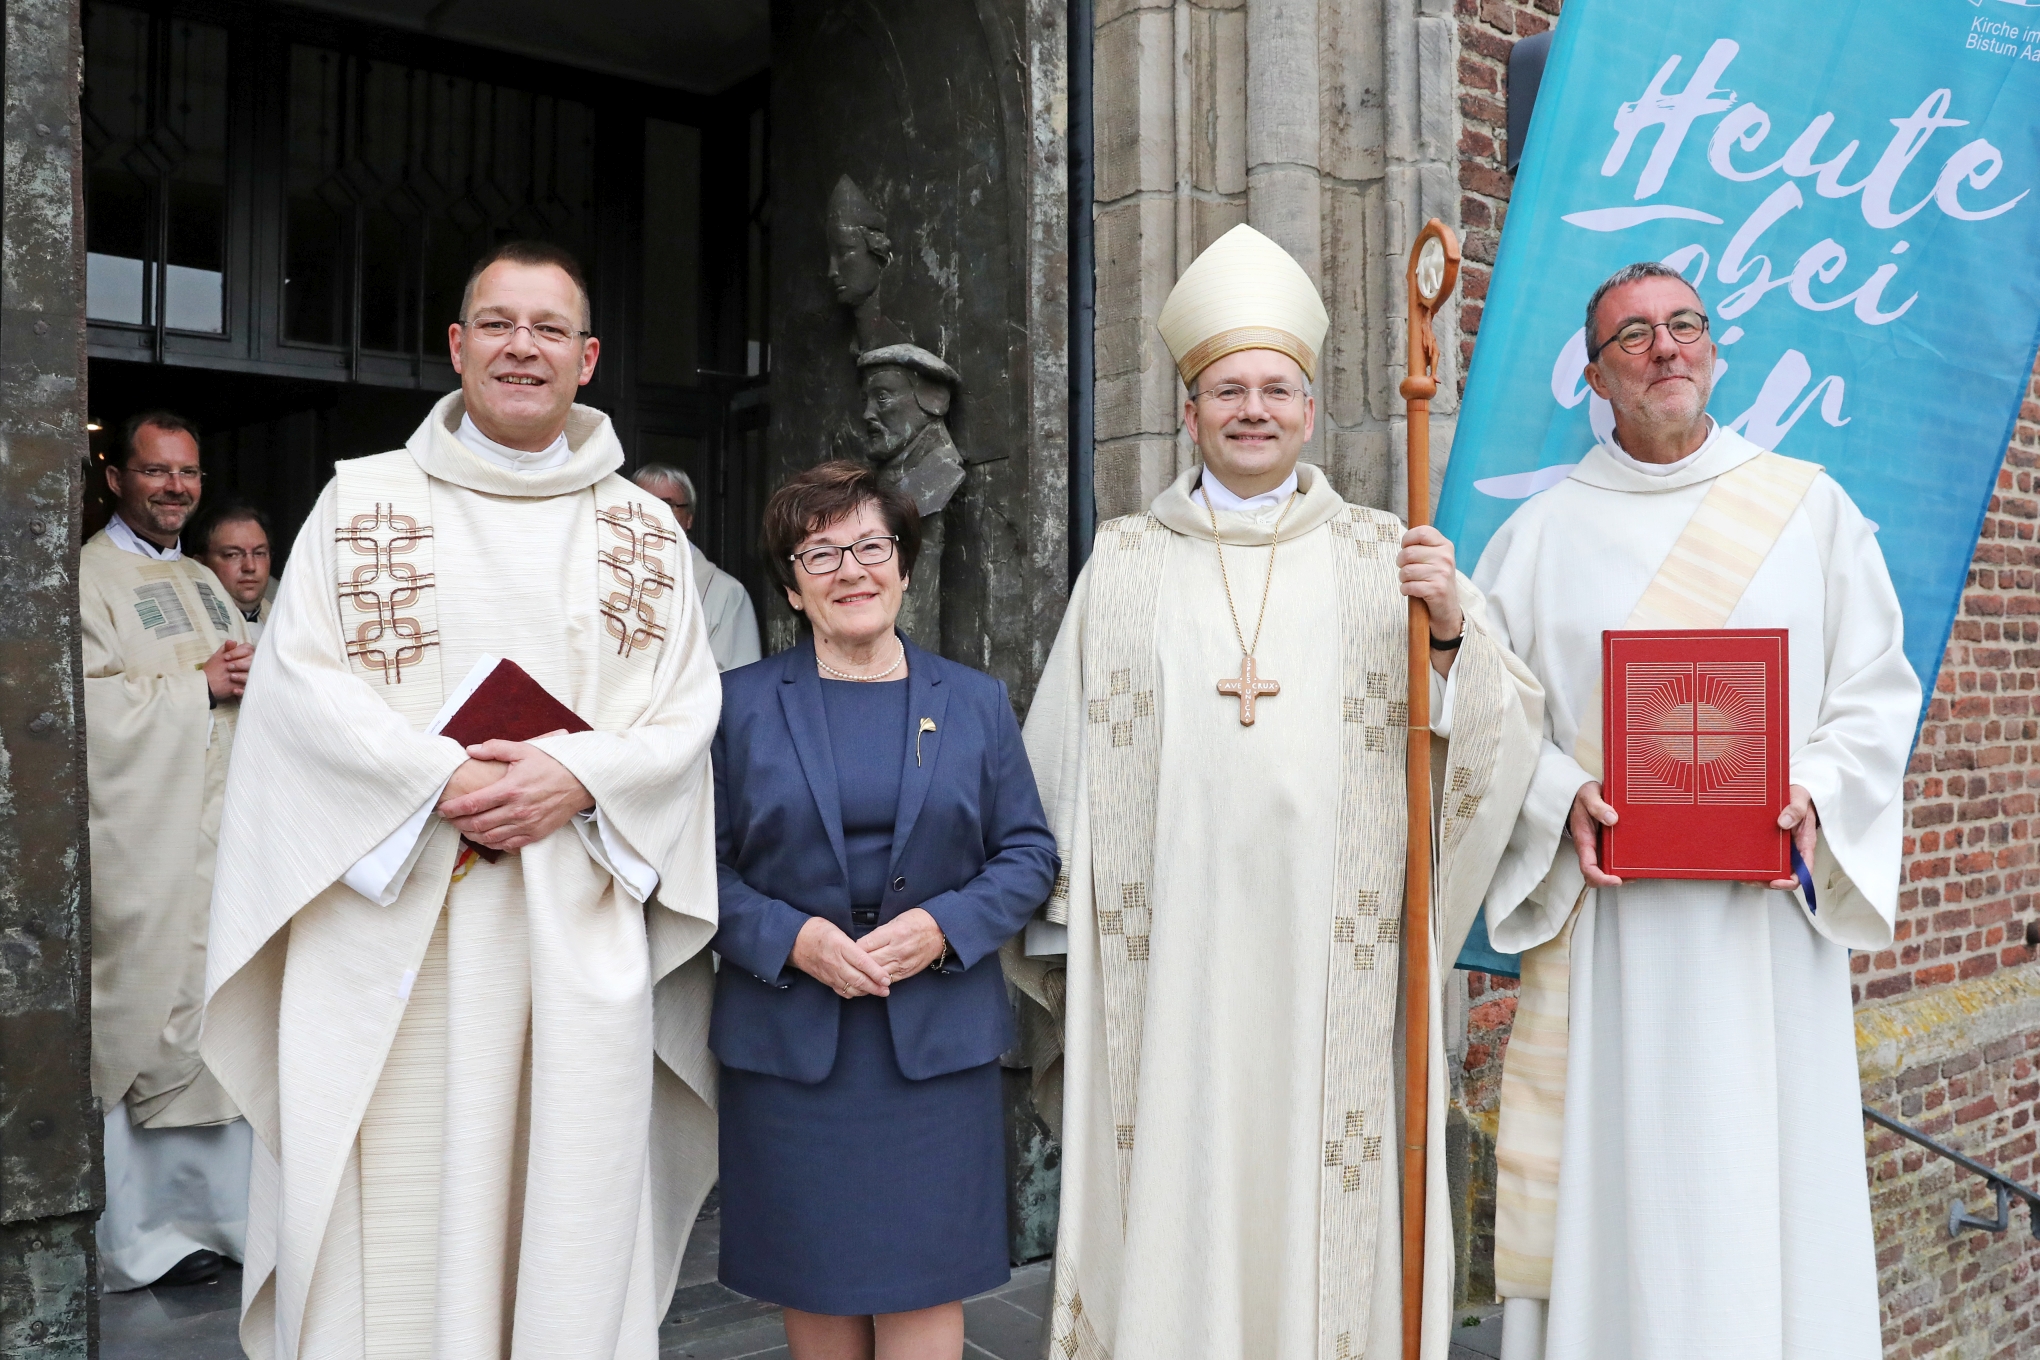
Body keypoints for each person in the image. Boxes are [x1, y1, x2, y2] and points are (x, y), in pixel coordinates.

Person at [1005, 223, 1544, 1359]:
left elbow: (1499, 734)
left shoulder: (1386, 554)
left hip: (1328, 963)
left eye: (1276, 390)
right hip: (1172, 964)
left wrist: (1449, 634)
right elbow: (1056, 763)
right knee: (1179, 1181)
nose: (1253, 409)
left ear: (1308, 410)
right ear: (1190, 411)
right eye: (1227, 390)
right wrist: (1058, 920)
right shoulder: (1127, 558)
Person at [203, 239, 724, 1358]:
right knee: (390, 1233)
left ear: (586, 358)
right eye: (497, 323)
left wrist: (577, 775)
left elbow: (687, 710)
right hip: (393, 935)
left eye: (547, 329)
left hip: (571, 930)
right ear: (456, 346)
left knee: (563, 1218)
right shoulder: (359, 505)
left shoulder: (646, 536)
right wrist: (439, 779)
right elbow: (298, 695)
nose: (520, 347)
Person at [1474, 261, 1919, 1360]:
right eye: (1634, 336)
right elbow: (1486, 717)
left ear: (1714, 349)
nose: (1666, 348)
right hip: (1612, 939)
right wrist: (1559, 793)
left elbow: (1874, 691)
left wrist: (1814, 789)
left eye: (1685, 325)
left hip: (1763, 930)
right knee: (1631, 1187)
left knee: (1760, 1181)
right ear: (1594, 374)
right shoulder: (1540, 536)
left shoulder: (1808, 508)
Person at [710, 460, 1057, 1359]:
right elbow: (693, 871)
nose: (851, 571)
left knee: (924, 1279)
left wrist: (945, 926)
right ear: (790, 585)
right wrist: (794, 939)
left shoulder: (975, 702)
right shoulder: (735, 708)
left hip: (933, 1050)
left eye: (870, 546)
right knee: (816, 1278)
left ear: (903, 565)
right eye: (818, 554)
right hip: (791, 1045)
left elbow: (1028, 855)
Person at [83, 410, 255, 1291]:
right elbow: (82, 711)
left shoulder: (201, 577)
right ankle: (140, 1235)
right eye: (155, 472)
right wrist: (199, 687)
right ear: (116, 476)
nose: (174, 488)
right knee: (148, 1016)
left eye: (187, 474)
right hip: (146, 845)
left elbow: (245, 668)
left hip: (218, 840)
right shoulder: (88, 576)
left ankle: (225, 1221)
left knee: (219, 1014)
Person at [633, 462, 762, 669]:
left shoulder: (726, 593)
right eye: (642, 504)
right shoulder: (604, 578)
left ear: (689, 518)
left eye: (667, 505)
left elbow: (739, 684)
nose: (653, 515)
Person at [191, 503, 274, 641]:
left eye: (259, 553)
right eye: (232, 555)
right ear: (200, 564)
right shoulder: (191, 625)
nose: (250, 566)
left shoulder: (288, 623)